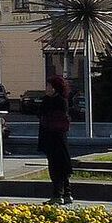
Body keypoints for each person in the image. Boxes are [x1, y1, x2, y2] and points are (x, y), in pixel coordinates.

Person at [38, 74, 74, 204]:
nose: (46, 88)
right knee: (61, 165)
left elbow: (47, 116)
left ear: (54, 88)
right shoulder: (51, 100)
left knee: (56, 167)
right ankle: (66, 194)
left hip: (55, 137)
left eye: (48, 86)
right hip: (54, 137)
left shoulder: (57, 101)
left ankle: (58, 195)